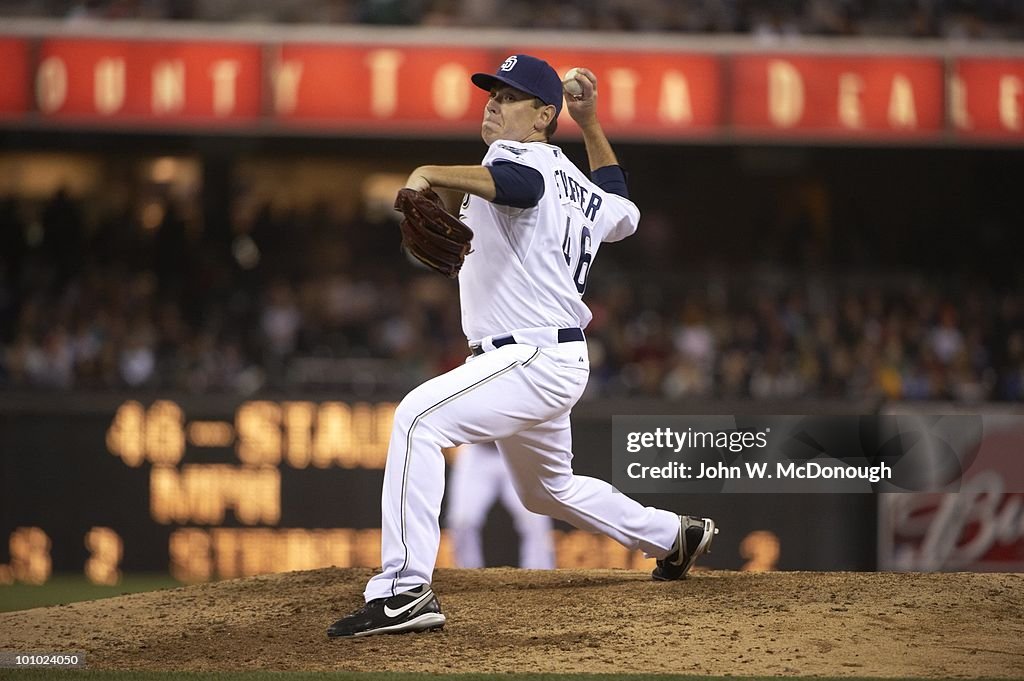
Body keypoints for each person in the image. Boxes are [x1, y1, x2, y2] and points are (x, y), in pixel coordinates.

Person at [327, 54, 717, 638]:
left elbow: (519, 185)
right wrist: (590, 125)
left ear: (541, 117)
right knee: (546, 490)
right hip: (548, 357)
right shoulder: (577, 182)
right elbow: (624, 210)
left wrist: (428, 171)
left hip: (529, 356)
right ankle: (673, 534)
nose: (493, 102)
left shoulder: (520, 159)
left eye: (510, 97)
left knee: (415, 420)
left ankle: (404, 590)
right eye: (492, 92)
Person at [445, 442, 555, 570]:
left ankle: (539, 574)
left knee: (534, 519)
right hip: (478, 451)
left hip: (519, 449)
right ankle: (465, 574)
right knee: (463, 520)